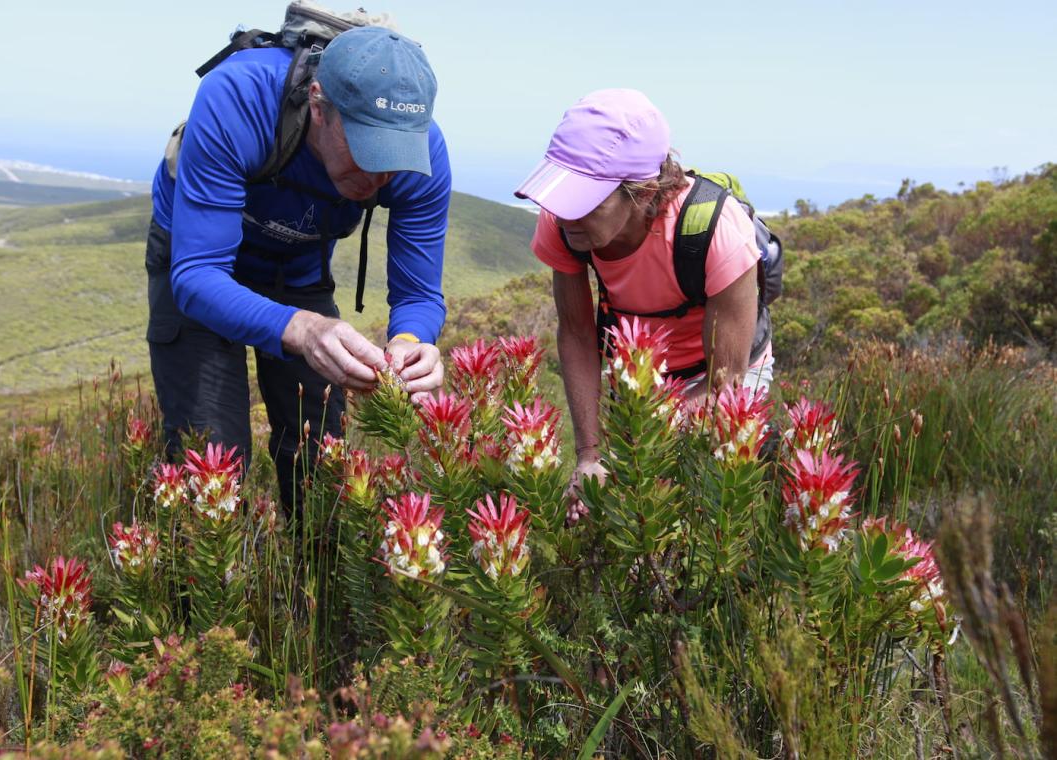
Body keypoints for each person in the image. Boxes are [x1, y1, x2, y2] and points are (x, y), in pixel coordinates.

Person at [145, 25, 451, 508]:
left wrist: (411, 343)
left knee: (320, 457)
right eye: (367, 151)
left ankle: (318, 580)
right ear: (317, 104)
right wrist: (305, 330)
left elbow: (418, 294)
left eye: (393, 158)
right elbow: (198, 274)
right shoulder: (238, 96)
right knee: (211, 461)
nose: (378, 178)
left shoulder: (425, 156)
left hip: (297, 266)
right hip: (198, 261)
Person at [513, 88, 773, 493]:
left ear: (644, 192)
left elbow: (725, 378)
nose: (565, 217)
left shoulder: (717, 231)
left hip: (715, 371)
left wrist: (643, 441)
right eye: (562, 196)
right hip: (636, 374)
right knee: (627, 502)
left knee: (700, 498)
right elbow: (579, 333)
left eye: (584, 202)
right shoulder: (563, 221)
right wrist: (590, 455)